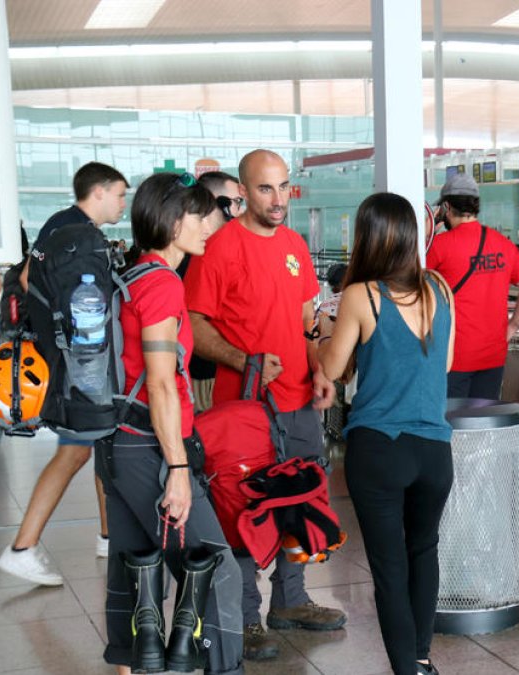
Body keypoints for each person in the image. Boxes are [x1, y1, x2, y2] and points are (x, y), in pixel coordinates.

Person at [184, 149, 343, 662]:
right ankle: (246, 616)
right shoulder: (219, 248)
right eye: (265, 189)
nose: (278, 200)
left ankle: (290, 600)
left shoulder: (295, 244)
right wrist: (244, 359)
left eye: (284, 187)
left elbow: (305, 325)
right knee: (244, 507)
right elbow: (194, 325)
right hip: (245, 405)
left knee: (301, 499)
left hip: (298, 399)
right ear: (243, 194)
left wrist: (319, 368)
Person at [99, 171, 243, 675]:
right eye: (198, 214)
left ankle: (134, 665)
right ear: (169, 219)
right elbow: (161, 382)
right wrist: (177, 468)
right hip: (153, 449)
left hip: (120, 441)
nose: (210, 224)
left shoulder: (135, 273)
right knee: (215, 569)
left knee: (136, 565)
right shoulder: (161, 284)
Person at [317, 192, 454, 675]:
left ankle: (407, 670)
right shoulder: (441, 288)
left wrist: (319, 330)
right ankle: (420, 657)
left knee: (390, 569)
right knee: (424, 551)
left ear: (367, 238)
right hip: (435, 451)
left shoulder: (362, 295)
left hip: (379, 448)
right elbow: (445, 363)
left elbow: (332, 367)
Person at [0, 161, 128, 586]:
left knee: (95, 446)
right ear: (100, 191)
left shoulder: (59, 226)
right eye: (120, 194)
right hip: (78, 365)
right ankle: (23, 546)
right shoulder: (76, 232)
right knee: (75, 450)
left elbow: (28, 279)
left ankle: (110, 537)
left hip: (67, 360)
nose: (123, 203)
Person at [426, 173, 519, 399]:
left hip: (453, 357)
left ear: (446, 207)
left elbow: (409, 285)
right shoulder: (501, 243)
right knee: (482, 424)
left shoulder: (439, 246)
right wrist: (512, 326)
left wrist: (429, 232)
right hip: (493, 355)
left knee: (452, 426)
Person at [179, 170, 245, 412]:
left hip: (218, 370)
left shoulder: (219, 250)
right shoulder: (195, 254)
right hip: (201, 373)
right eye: (237, 203)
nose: (240, 211)